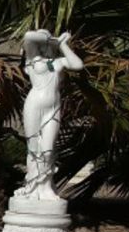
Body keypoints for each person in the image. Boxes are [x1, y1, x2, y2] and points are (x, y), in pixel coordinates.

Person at [18, 30, 83, 200]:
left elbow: (78, 65)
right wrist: (51, 38)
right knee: (33, 148)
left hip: (53, 108)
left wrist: (62, 45)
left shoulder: (59, 61)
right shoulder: (33, 58)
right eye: (44, 41)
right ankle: (32, 186)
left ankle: (46, 187)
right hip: (33, 105)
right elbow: (28, 36)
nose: (46, 45)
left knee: (48, 150)